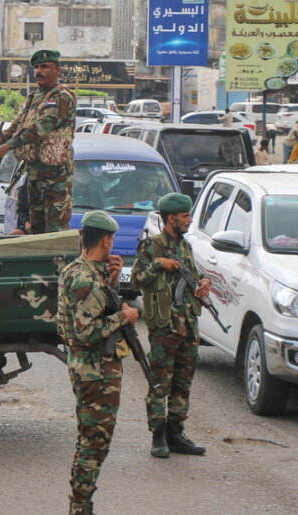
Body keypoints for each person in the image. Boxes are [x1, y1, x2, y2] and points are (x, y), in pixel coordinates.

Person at [57, 210, 139, 515]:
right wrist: (124, 316)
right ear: (105, 240)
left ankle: (81, 502)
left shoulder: (77, 270)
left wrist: (112, 282)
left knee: (88, 437)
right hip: (96, 372)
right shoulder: (85, 279)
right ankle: (80, 505)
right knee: (95, 441)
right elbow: (86, 330)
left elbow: (93, 311)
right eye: (112, 239)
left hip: (89, 368)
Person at [131, 193, 211, 460]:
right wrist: (158, 264)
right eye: (185, 216)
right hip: (165, 327)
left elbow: (192, 273)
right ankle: (158, 436)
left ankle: (176, 434)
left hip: (188, 326)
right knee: (159, 384)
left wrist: (203, 282)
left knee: (182, 383)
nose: (189, 220)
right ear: (171, 218)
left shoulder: (184, 246)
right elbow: (136, 281)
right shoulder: (152, 246)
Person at [0, 49, 77, 234]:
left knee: (54, 235)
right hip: (35, 178)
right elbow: (15, 127)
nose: (39, 71)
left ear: (57, 70)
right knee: (36, 234)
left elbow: (38, 129)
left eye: (45, 67)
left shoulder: (61, 97)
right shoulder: (35, 98)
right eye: (36, 67)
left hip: (55, 180)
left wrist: (5, 148)